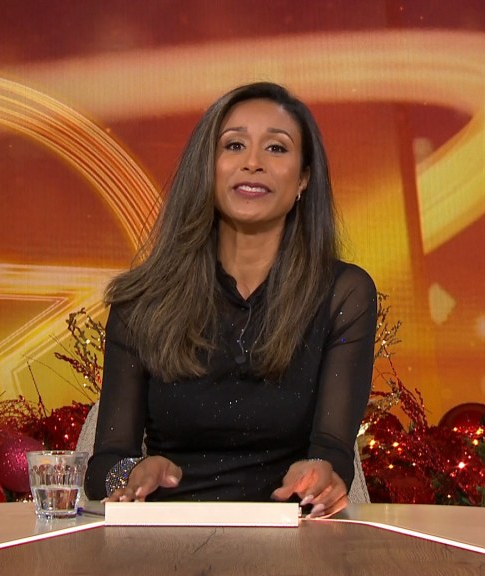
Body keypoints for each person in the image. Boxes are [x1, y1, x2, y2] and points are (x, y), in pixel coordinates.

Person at [83, 82, 377, 519]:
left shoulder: (343, 294)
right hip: (164, 535)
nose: (253, 163)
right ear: (208, 168)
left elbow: (333, 452)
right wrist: (133, 472)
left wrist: (322, 474)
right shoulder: (142, 301)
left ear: (303, 178)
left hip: (289, 538)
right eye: (234, 145)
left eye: (276, 148)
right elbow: (104, 466)